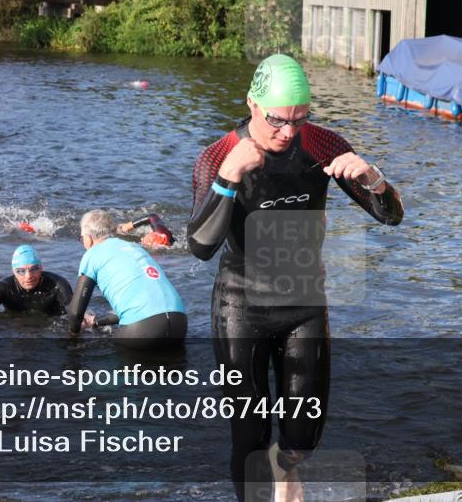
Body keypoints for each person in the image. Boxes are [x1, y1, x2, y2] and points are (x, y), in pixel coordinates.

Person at [187, 54, 403, 502]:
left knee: (304, 435)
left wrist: (374, 178)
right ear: (252, 103)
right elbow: (200, 247)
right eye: (277, 121)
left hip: (304, 301)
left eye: (300, 120)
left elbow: (390, 217)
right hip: (240, 303)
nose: (288, 132)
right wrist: (228, 179)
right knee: (249, 432)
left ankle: (284, 467)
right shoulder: (218, 155)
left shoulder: (321, 145)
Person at [67, 209, 186, 349]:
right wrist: (97, 323)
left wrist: (74, 335)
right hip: (179, 323)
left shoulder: (92, 254)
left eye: (81, 239)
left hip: (143, 330)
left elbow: (75, 313)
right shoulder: (135, 247)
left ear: (88, 238)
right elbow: (140, 306)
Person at [0, 245, 74, 321]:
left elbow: (73, 308)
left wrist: (84, 318)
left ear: (42, 268)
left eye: (34, 269)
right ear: (13, 271)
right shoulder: (4, 287)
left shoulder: (58, 284)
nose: (28, 276)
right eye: (21, 271)